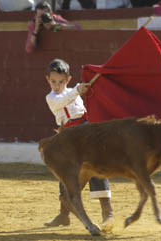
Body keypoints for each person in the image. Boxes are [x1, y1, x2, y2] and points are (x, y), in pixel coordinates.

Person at [43, 58, 114, 230]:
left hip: (85, 131)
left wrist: (84, 90)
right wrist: (77, 89)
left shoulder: (75, 92)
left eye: (61, 82)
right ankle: (63, 215)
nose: (57, 85)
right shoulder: (52, 97)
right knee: (65, 172)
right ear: (48, 79)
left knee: (96, 166)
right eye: (53, 82)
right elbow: (62, 100)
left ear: (67, 80)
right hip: (67, 136)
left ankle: (107, 212)